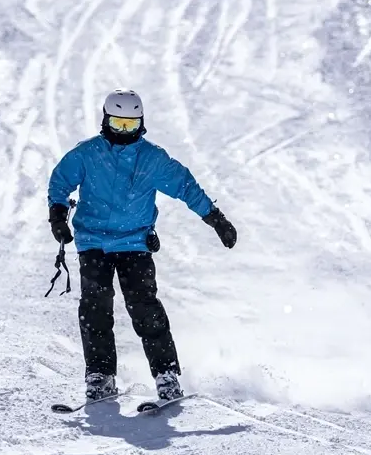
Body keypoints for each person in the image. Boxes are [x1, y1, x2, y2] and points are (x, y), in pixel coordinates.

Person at [47, 89, 238, 402]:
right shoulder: (88, 154)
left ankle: (166, 375)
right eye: (118, 124)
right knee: (95, 308)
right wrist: (57, 216)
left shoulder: (153, 159)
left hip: (134, 242)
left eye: (130, 125)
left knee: (144, 306)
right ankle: (100, 375)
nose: (124, 131)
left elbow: (186, 187)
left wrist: (215, 218)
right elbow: (59, 181)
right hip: (93, 241)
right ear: (106, 121)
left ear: (141, 123)